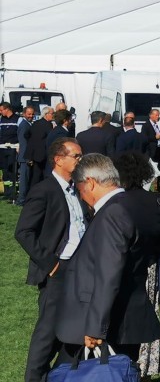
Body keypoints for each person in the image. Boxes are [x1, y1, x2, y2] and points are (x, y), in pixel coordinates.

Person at [55, 153, 160, 364]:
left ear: (90, 182)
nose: (82, 196)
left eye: (80, 190)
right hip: (128, 311)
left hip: (105, 320)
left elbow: (108, 273)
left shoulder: (112, 212)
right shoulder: (140, 205)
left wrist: (96, 328)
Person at [15, 137, 87, 382]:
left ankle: (59, 376)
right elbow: (23, 232)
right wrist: (52, 264)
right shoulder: (44, 190)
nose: (80, 160)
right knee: (47, 334)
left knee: (75, 330)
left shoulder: (77, 188)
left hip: (81, 269)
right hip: (58, 269)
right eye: (76, 156)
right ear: (58, 159)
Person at [113, 151, 160, 378]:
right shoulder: (158, 201)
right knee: (150, 314)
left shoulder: (117, 202)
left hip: (125, 266)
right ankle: (146, 364)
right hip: (152, 266)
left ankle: (122, 365)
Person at [26, 107, 54, 190]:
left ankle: (31, 191)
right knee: (39, 176)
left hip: (34, 153)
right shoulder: (48, 125)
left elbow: (27, 134)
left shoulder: (36, 123)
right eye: (52, 113)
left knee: (34, 176)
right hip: (42, 154)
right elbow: (50, 138)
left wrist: (32, 143)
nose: (53, 115)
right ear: (46, 114)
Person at [15, 105, 36, 205]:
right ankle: (21, 200)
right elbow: (24, 143)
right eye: (29, 114)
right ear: (24, 114)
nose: (31, 116)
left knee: (26, 179)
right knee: (24, 180)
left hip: (25, 157)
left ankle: (23, 198)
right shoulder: (24, 125)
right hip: (25, 157)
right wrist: (28, 158)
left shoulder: (28, 124)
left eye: (32, 114)